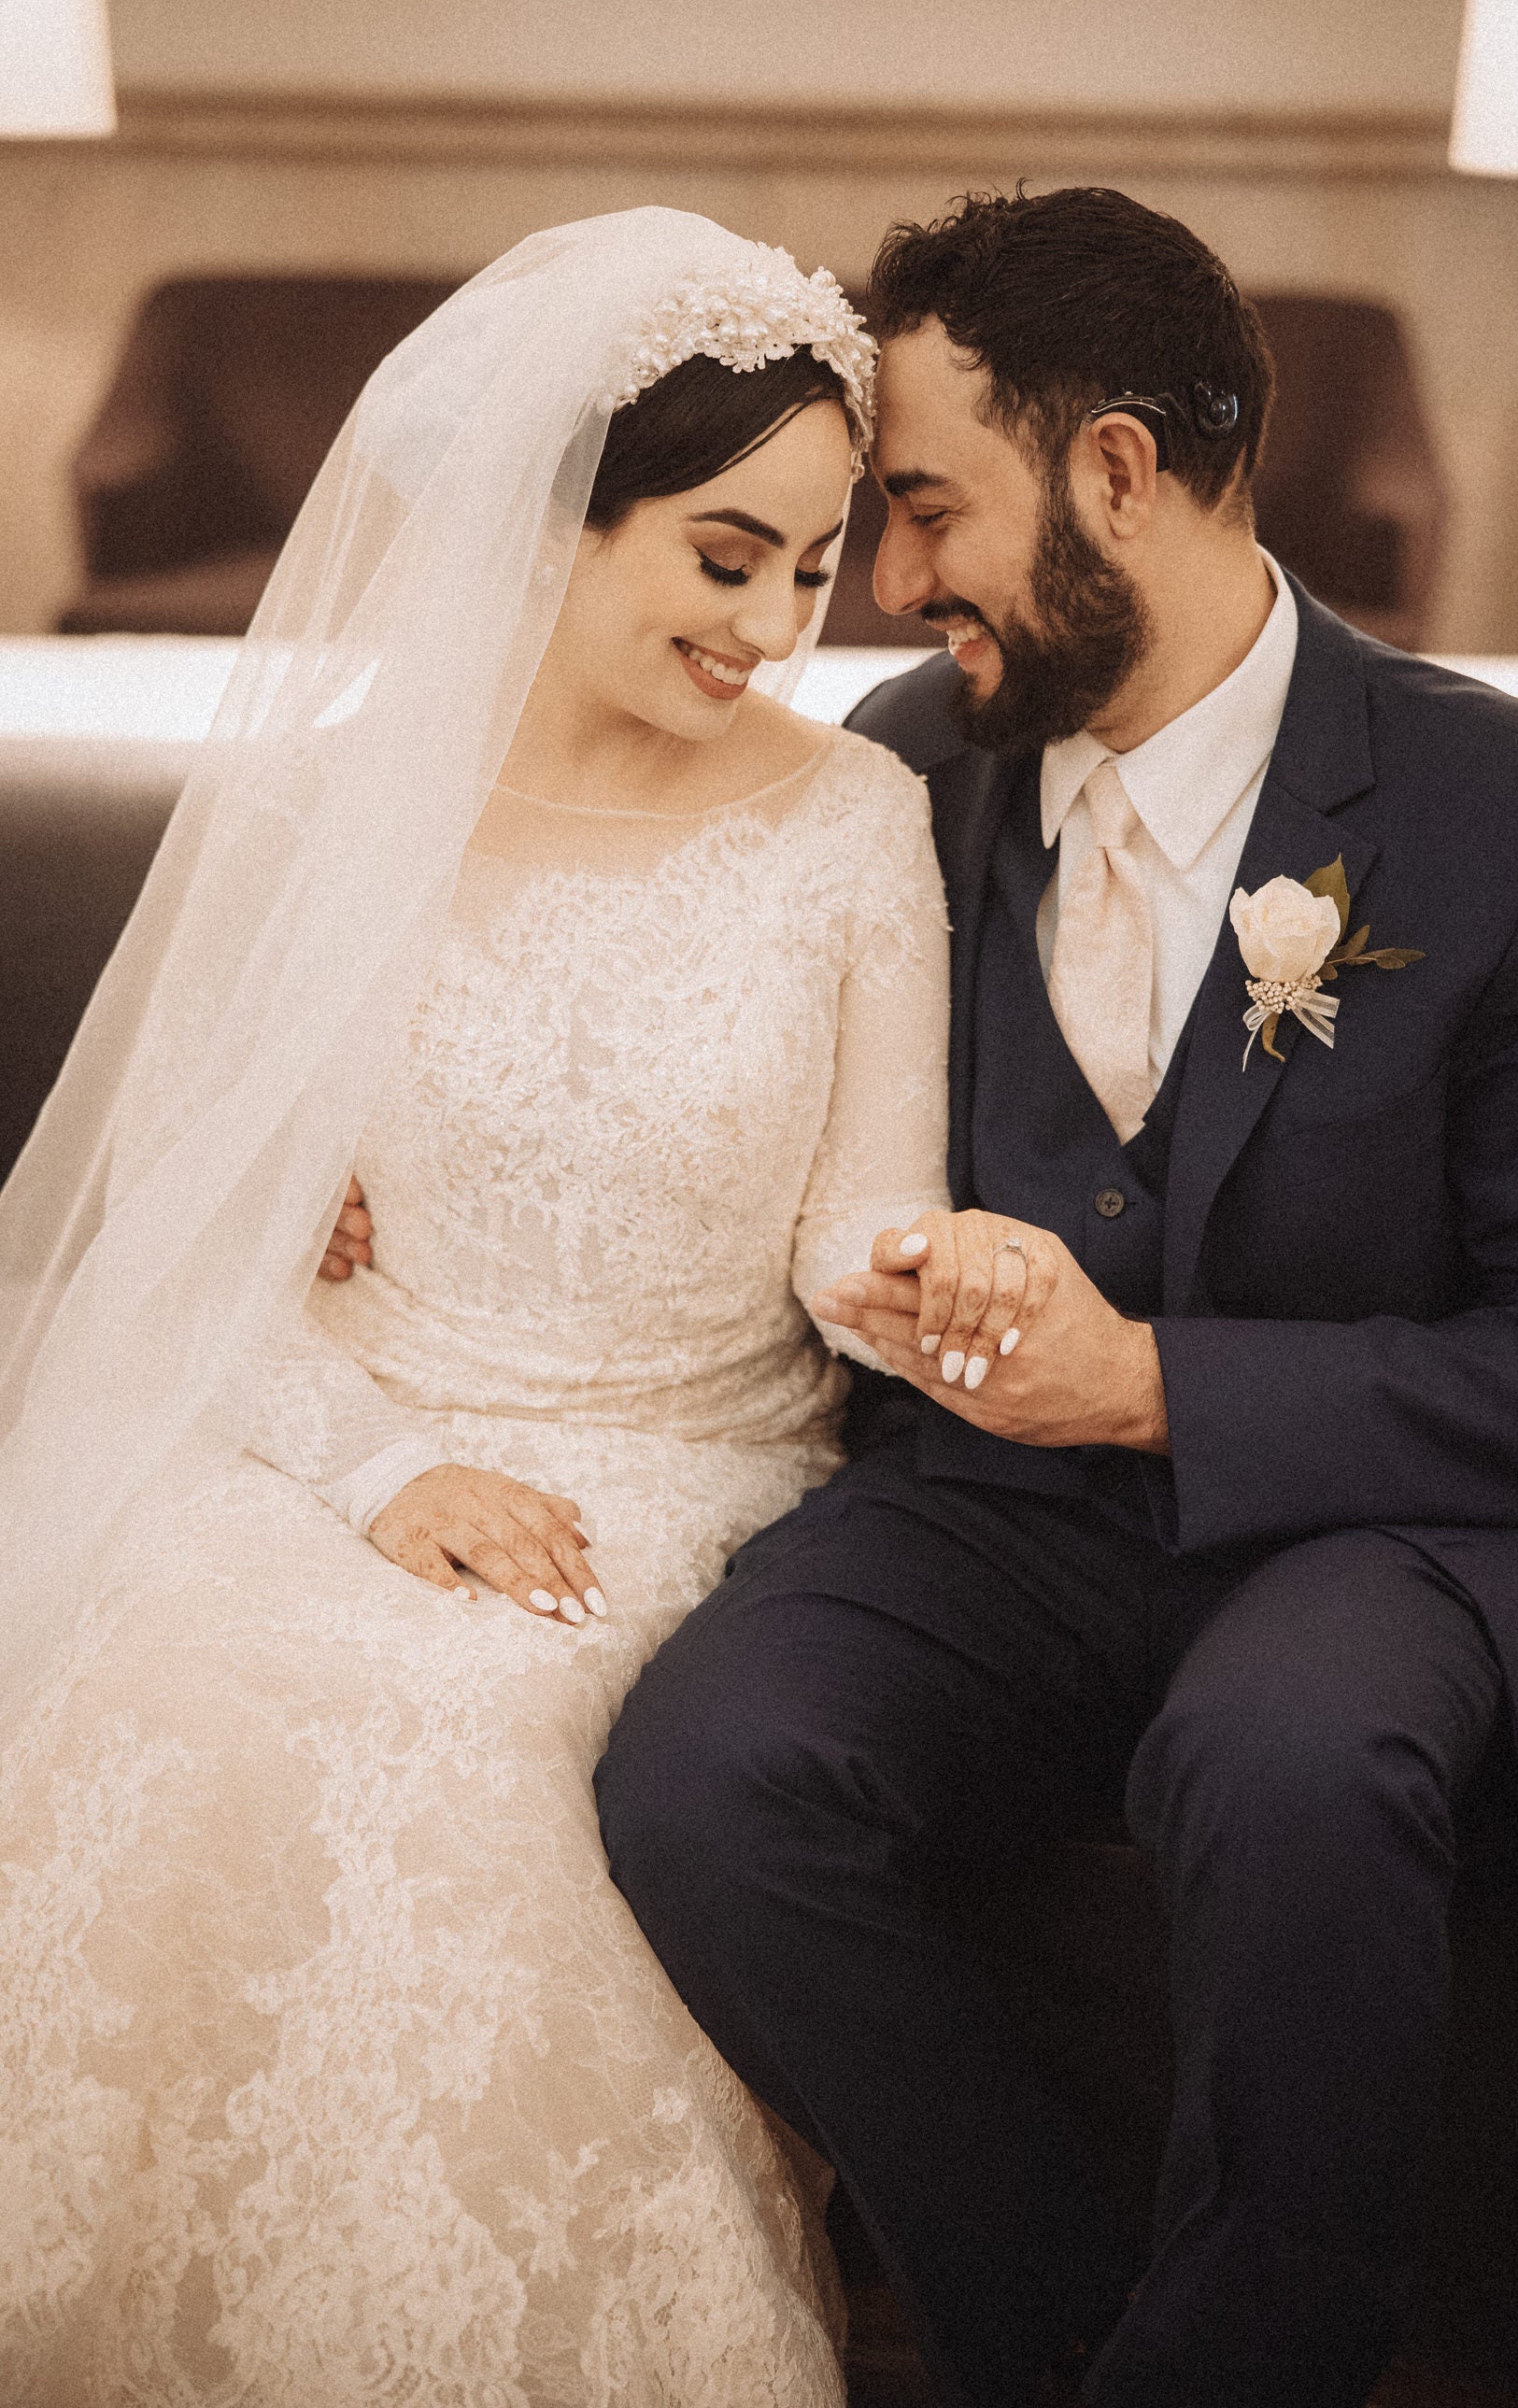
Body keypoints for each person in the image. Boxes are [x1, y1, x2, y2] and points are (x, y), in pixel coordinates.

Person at [592, 187, 1518, 2408]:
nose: (886, 581)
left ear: (1121, 473)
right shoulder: (900, 771)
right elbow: (654, 1047)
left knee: (1294, 1762)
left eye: (931, 507)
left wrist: (1154, 1380)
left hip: (1370, 1542)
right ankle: (1065, 2341)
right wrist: (362, 1188)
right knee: (705, 1771)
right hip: (989, 1527)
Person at [0, 210, 966, 2405]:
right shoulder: (365, 801)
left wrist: (923, 1280)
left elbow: (860, 1222)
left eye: (814, 572)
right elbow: (198, 1249)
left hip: (671, 1469)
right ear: (564, 516)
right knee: (157, 1701)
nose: (773, 628)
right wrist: (372, 1467)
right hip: (351, 1433)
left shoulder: (856, 819)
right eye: (723, 558)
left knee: (445, 1749)